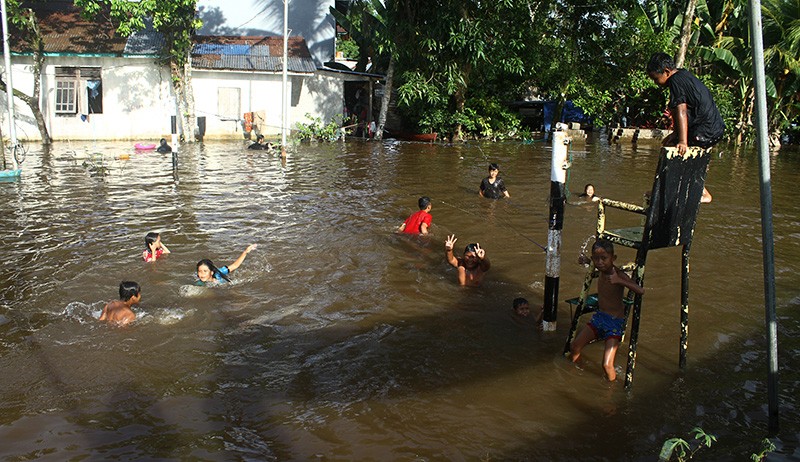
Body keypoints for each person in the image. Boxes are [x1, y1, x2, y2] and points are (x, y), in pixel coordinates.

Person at [646, 52, 725, 203]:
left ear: (667, 72)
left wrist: (682, 141)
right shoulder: (682, 75)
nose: (656, 83)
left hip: (705, 130)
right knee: (672, 147)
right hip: (712, 128)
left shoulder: (675, 81)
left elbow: (681, 110)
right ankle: (663, 189)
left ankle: (702, 193)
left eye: (656, 79)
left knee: (680, 154)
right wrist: (675, 134)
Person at [569, 240, 645, 381]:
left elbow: (640, 290)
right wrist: (586, 261)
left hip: (614, 323)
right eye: (596, 259)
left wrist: (619, 281)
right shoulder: (601, 269)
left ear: (613, 258)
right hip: (599, 318)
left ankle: (610, 390)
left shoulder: (618, 274)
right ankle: (576, 374)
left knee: (606, 365)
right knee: (574, 347)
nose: (600, 262)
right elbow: (597, 265)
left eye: (604, 258)